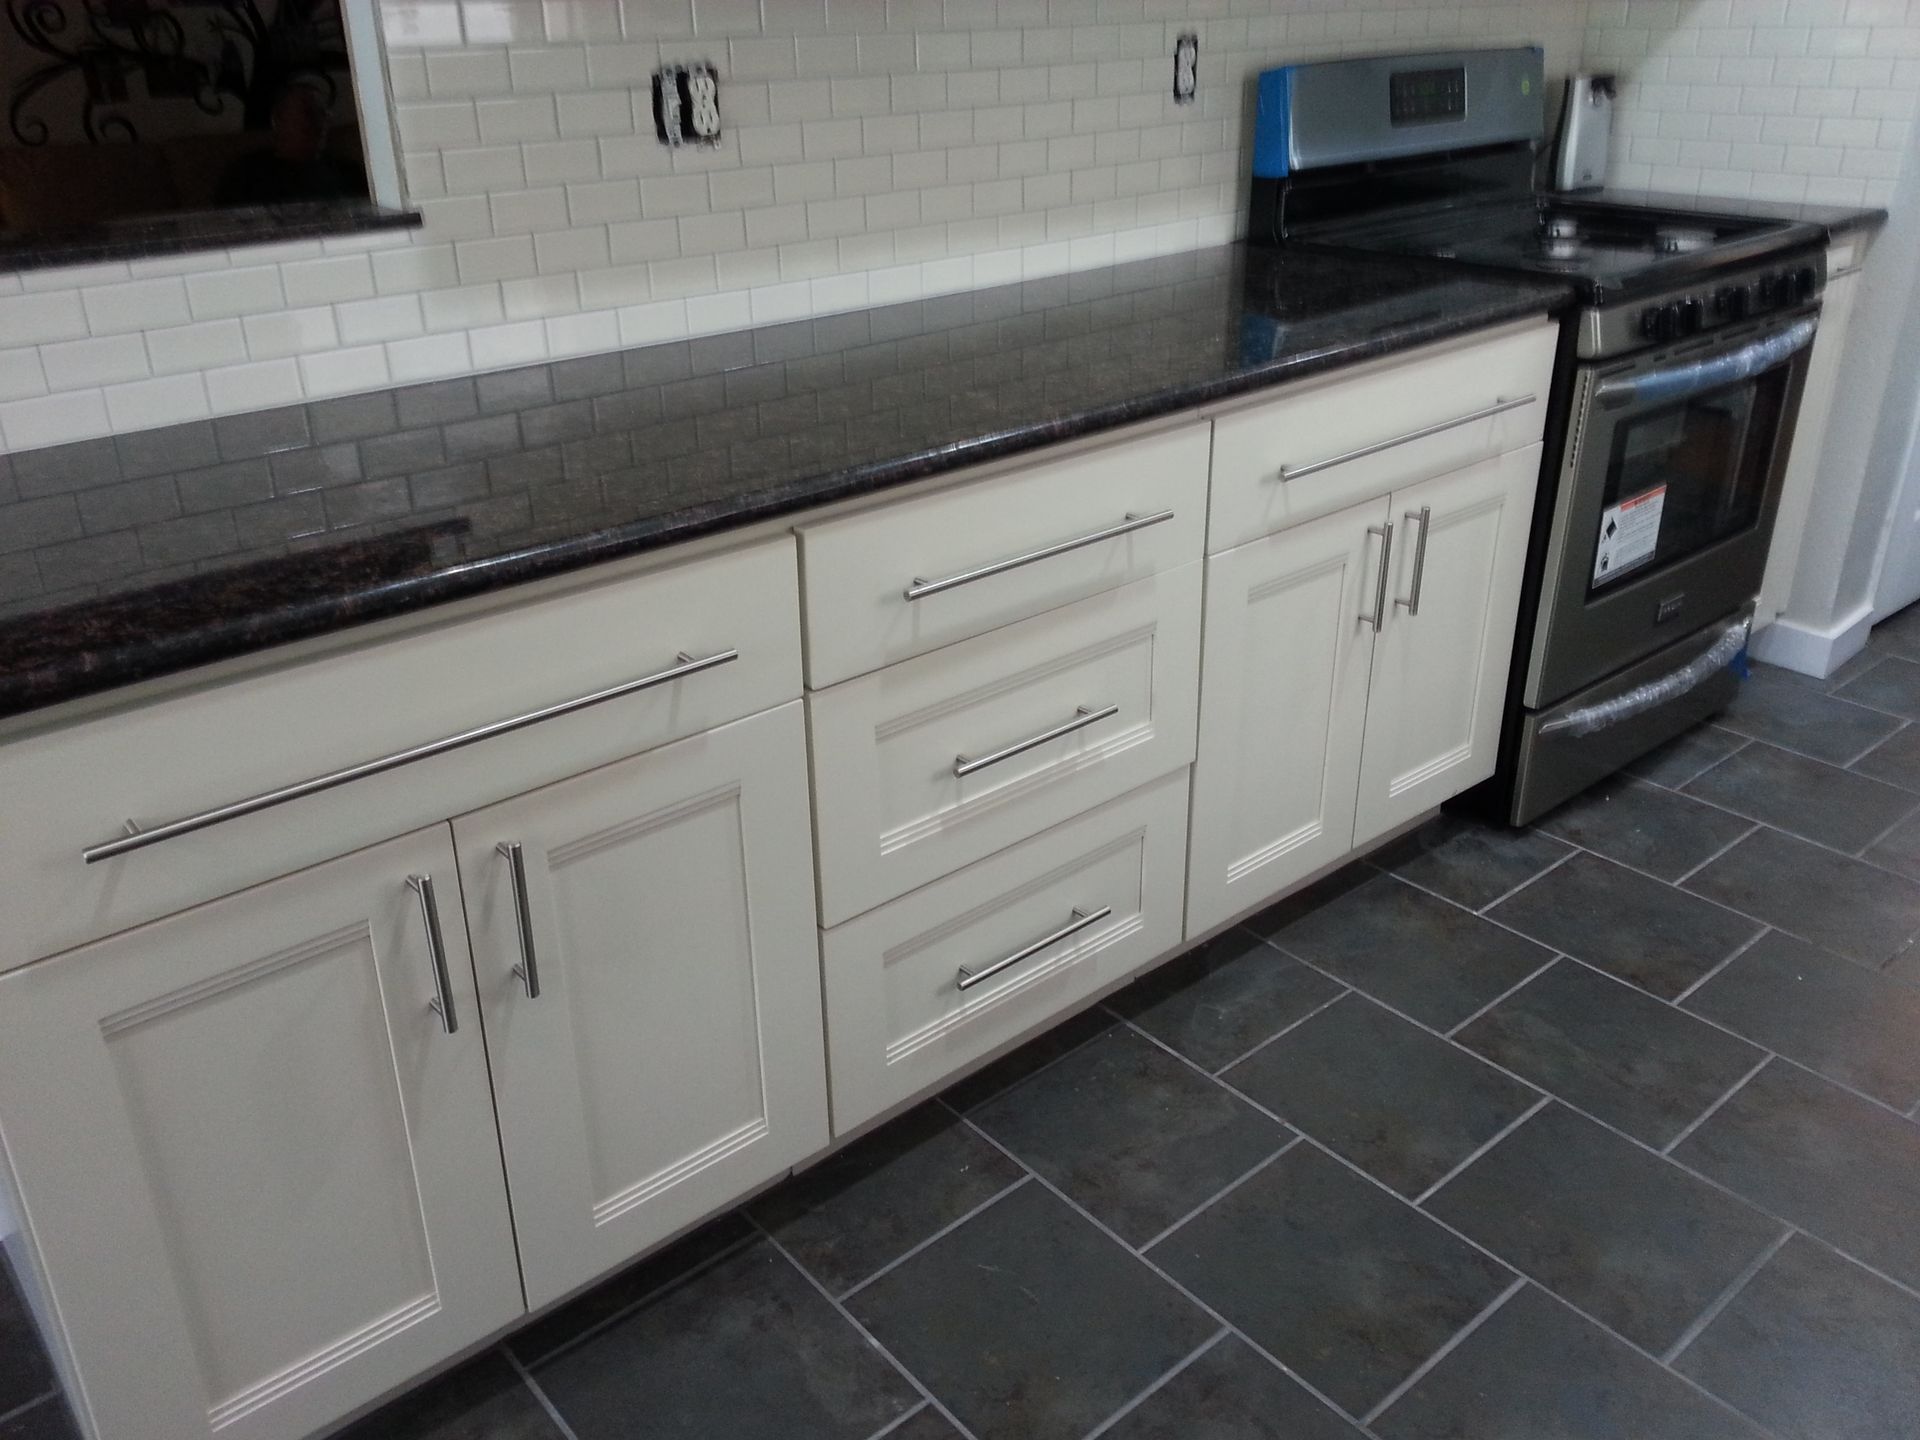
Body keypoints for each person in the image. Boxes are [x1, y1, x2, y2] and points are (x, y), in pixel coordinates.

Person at [216, 83, 366, 206]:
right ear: (278, 119)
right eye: (308, 112)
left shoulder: (347, 172)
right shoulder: (246, 174)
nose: (320, 121)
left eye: (324, 113)